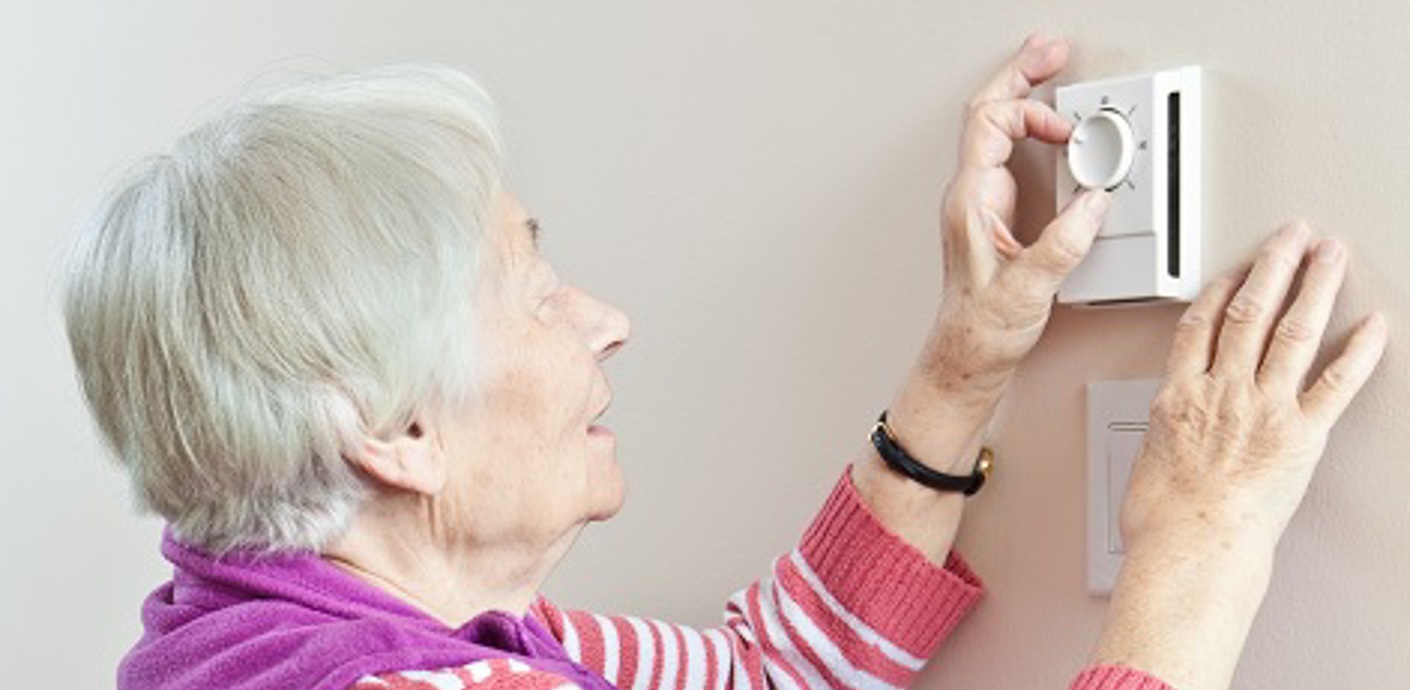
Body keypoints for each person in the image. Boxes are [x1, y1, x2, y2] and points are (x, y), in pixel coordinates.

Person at [64, 35, 1386, 690]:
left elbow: (758, 675)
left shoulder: (293, 636)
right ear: (391, 425)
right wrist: (1192, 550)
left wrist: (965, 361)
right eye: (527, 285)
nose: (603, 318)